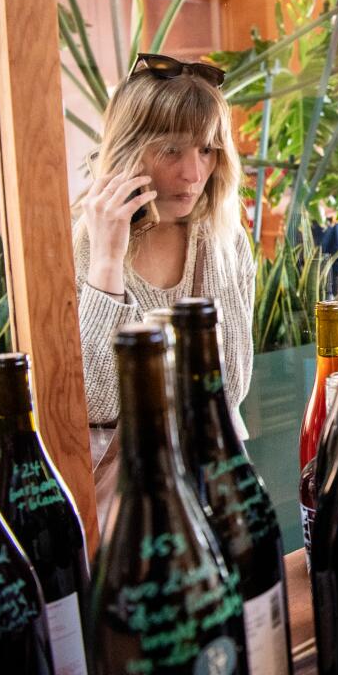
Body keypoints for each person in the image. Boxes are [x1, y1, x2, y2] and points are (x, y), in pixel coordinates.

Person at [74, 54, 253, 441]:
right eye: (171, 150)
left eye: (206, 149)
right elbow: (96, 404)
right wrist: (106, 263)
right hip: (135, 490)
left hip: (220, 480)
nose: (193, 174)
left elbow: (233, 389)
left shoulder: (225, 242)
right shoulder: (82, 250)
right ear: (127, 149)